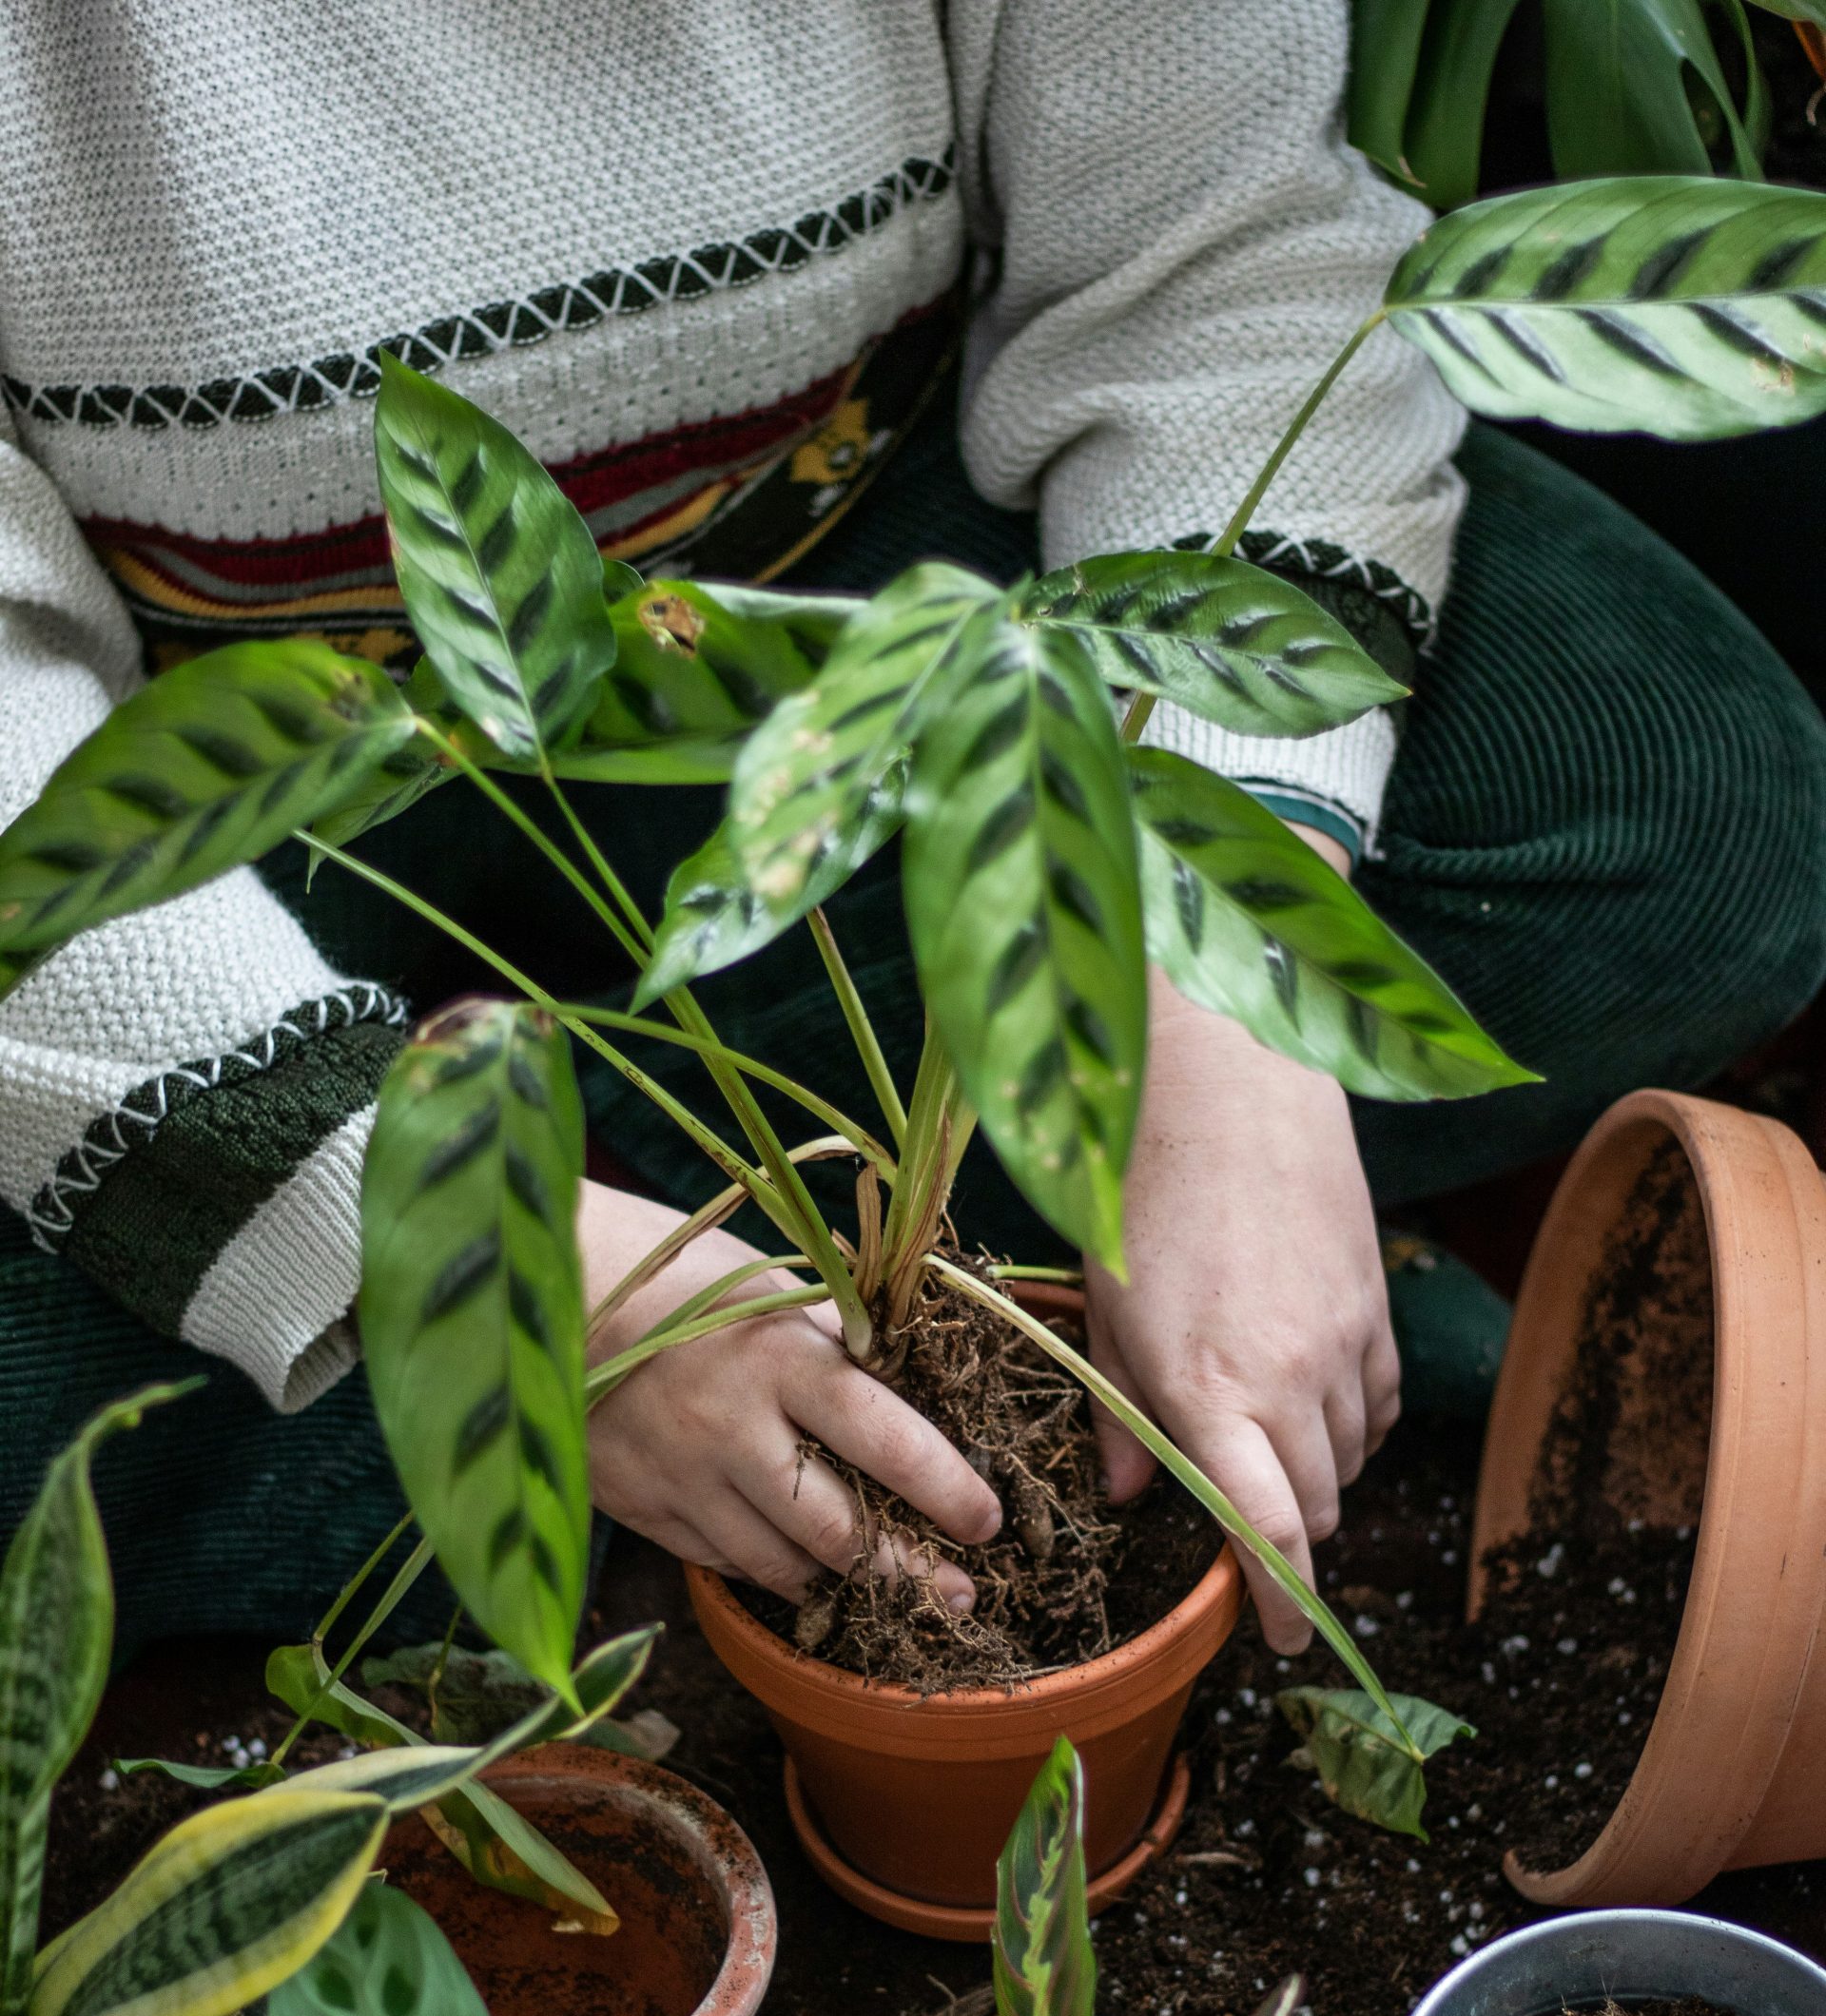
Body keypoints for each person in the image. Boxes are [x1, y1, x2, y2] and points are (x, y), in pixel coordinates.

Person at [3, 3, 1824, 1665]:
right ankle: (972, 1323)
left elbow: (1220, 264)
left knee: (1686, 811)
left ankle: (801, 1360)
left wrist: (1208, 996)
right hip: (241, 796)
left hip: (876, 560)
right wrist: (471, 1247)